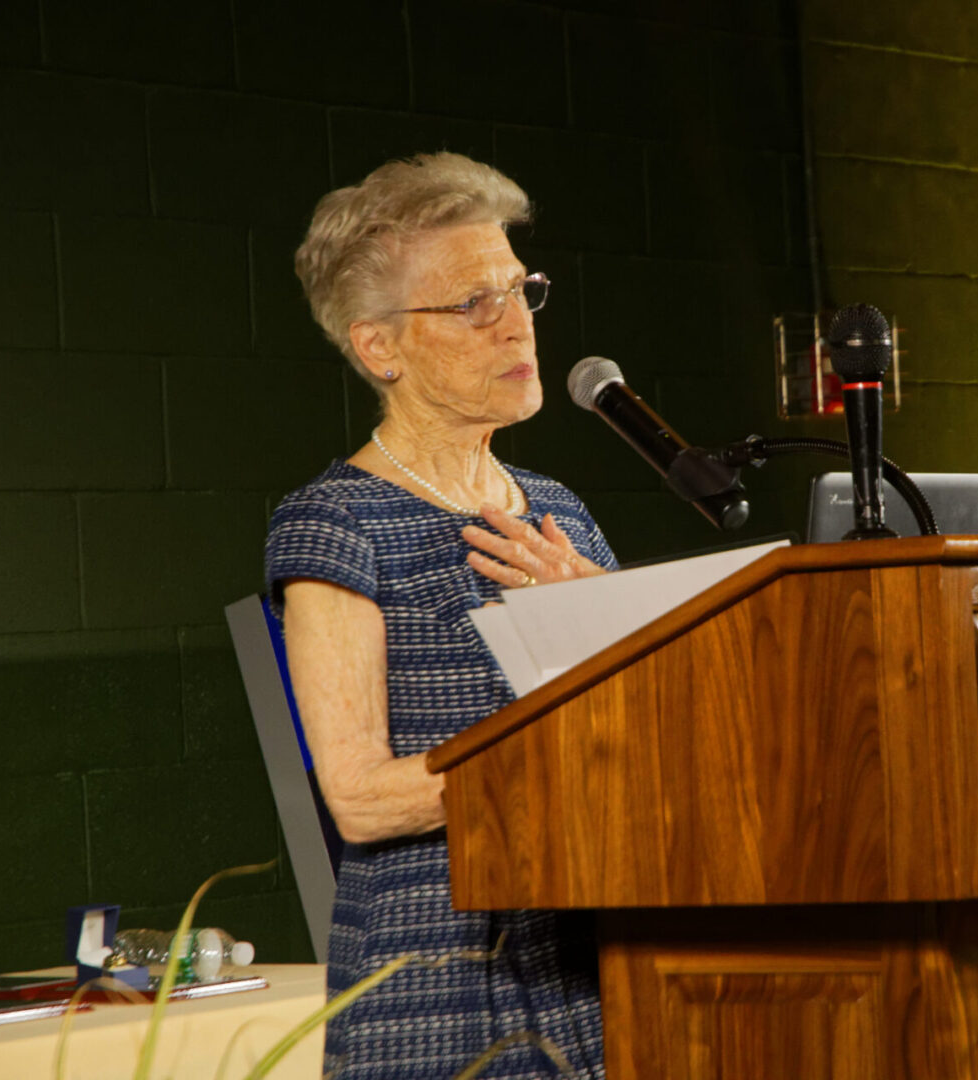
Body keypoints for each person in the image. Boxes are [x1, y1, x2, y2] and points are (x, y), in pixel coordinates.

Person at [265, 152, 613, 1079]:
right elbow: (361, 795)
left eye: (519, 290)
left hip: (596, 963)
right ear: (380, 347)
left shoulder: (561, 513)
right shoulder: (336, 523)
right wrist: (552, 766)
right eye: (471, 304)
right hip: (440, 981)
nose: (515, 326)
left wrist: (603, 623)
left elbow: (652, 732)